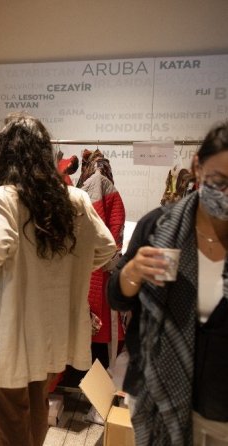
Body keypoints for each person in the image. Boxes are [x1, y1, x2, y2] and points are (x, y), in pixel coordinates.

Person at [0, 112, 117, 446]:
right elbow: (106, 247)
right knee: (35, 412)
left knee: (10, 425)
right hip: (51, 333)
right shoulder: (75, 199)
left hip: (8, 332)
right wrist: (71, 269)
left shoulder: (5, 197)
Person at [107, 120, 228, 446]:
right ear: (198, 168)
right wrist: (132, 272)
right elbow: (116, 297)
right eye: (219, 182)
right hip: (157, 396)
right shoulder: (159, 227)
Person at [76, 149, 126, 369]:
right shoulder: (101, 184)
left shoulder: (93, 184)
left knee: (90, 330)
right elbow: (109, 238)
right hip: (99, 269)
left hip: (90, 269)